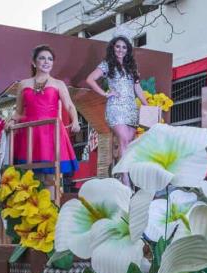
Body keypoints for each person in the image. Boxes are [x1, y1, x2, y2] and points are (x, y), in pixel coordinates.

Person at [86, 36, 149, 185]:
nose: (120, 50)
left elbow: (137, 87)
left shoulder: (132, 67)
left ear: (128, 50)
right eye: (118, 46)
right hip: (115, 107)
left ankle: (123, 173)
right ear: (113, 48)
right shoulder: (107, 64)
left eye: (124, 47)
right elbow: (90, 79)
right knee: (123, 139)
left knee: (129, 142)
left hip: (131, 108)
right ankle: (125, 178)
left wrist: (147, 105)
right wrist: (105, 93)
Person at [9, 45, 80, 177]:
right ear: (34, 62)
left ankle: (51, 199)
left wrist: (75, 121)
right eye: (42, 58)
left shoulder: (59, 84)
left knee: (51, 174)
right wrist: (11, 120)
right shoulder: (23, 84)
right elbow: (19, 112)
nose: (47, 61)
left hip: (50, 132)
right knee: (28, 175)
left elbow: (69, 105)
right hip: (29, 132)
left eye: (50, 59)